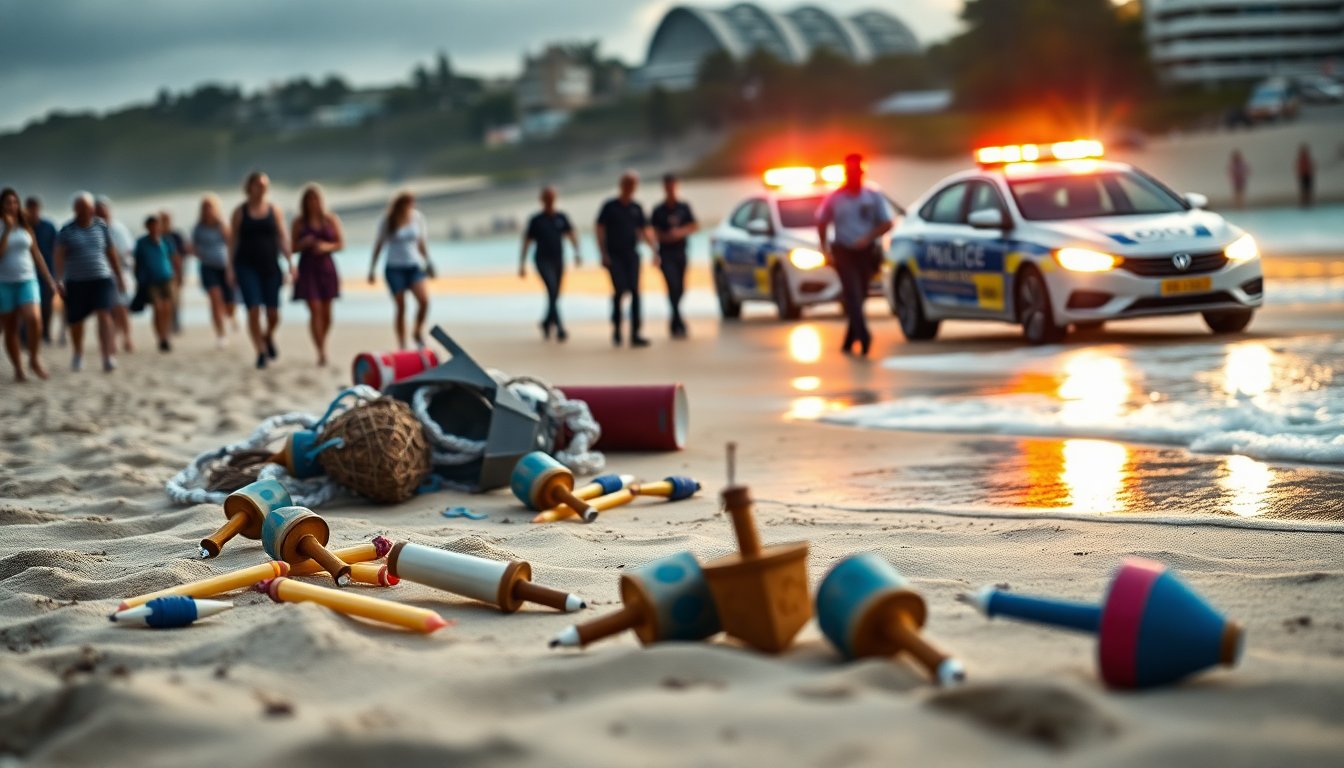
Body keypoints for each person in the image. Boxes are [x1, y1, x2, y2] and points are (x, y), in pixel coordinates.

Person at [816, 153, 893, 357]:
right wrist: (824, 248)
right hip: (844, 252)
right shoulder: (835, 198)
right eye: (850, 172)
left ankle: (849, 340)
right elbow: (821, 221)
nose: (854, 175)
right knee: (852, 293)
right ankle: (864, 336)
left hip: (866, 253)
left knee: (860, 296)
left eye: (857, 171)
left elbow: (887, 223)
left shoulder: (872, 196)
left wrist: (868, 238)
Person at [54, 192, 126, 372]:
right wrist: (59, 279)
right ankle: (78, 353)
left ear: (92, 208)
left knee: (104, 314)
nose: (86, 211)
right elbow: (59, 256)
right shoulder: (66, 230)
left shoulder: (101, 226)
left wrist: (119, 276)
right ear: (75, 209)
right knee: (76, 320)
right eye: (81, 208)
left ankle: (107, 355)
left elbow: (111, 252)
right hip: (77, 281)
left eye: (88, 207)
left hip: (102, 279)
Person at [230, 171, 295, 370]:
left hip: (270, 266)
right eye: (258, 184)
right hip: (246, 266)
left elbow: (282, 237)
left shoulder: (274, 210)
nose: (262, 188)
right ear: (249, 187)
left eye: (265, 185)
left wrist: (291, 263)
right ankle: (260, 351)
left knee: (273, 313)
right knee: (253, 309)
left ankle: (267, 337)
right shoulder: (240, 212)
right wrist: (230, 268)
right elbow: (233, 241)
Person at [1, 188, 61, 381]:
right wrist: (7, 230)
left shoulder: (25, 225)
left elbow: (36, 254)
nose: (12, 206)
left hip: (28, 279)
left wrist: (50, 279)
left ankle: (34, 359)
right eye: (8, 202)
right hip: (4, 283)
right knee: (11, 328)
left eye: (14, 202)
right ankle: (18, 368)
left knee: (34, 319)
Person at [596, 171, 657, 348]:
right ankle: (617, 329)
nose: (631, 187)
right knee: (620, 291)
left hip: (632, 254)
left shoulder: (636, 207)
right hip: (614, 255)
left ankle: (635, 333)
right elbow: (599, 229)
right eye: (628, 184)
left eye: (633, 184)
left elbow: (645, 230)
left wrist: (655, 251)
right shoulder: (609, 206)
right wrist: (603, 253)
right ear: (622, 185)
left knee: (636, 292)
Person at [368, 192, 435, 349]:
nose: (410, 206)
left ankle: (417, 331)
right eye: (407, 202)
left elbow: (421, 243)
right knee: (401, 306)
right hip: (394, 268)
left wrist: (429, 262)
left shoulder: (417, 218)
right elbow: (379, 244)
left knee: (424, 301)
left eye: (412, 202)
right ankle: (402, 344)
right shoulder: (387, 220)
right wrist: (372, 268)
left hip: (414, 266)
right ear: (399, 204)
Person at [291, 184, 344, 366]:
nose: (313, 203)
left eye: (316, 199)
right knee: (315, 310)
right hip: (307, 268)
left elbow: (340, 244)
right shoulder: (299, 222)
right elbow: (291, 247)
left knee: (327, 313)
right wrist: (303, 244)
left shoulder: (330, 219)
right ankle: (321, 351)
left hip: (326, 267)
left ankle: (323, 342)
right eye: (309, 199)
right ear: (304, 202)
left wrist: (325, 247)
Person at [519, 185, 581, 341]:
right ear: (542, 200)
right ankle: (559, 328)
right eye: (547, 197)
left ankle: (546, 322)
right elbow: (527, 241)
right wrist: (522, 264)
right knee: (552, 290)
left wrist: (577, 252)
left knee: (555, 293)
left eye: (551, 197)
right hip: (542, 260)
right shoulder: (536, 220)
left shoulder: (561, 217)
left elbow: (571, 234)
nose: (549, 200)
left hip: (558, 260)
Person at [650, 173, 698, 339]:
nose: (670, 189)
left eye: (672, 186)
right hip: (665, 253)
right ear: (664, 188)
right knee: (672, 284)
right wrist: (659, 244)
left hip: (680, 251)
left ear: (676, 186)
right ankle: (678, 321)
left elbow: (694, 225)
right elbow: (652, 231)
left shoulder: (683, 207)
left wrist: (680, 232)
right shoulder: (658, 210)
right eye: (667, 186)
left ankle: (674, 319)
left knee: (681, 288)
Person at [192, 194, 237, 347]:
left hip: (225, 266)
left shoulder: (222, 225)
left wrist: (232, 267)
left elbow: (232, 244)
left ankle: (231, 316)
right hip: (208, 267)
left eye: (210, 207)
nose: (208, 210)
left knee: (229, 304)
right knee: (215, 299)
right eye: (205, 208)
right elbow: (194, 246)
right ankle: (221, 334)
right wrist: (200, 253)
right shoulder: (198, 228)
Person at [95, 195, 136, 353]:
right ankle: (109, 340)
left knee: (120, 307)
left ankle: (126, 337)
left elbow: (126, 252)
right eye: (98, 212)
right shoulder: (91, 230)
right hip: (100, 273)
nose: (101, 215)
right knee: (105, 309)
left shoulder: (118, 229)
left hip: (120, 271)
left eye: (103, 211)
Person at [133, 215, 180, 352]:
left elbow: (174, 258)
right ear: (147, 227)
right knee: (158, 307)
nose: (155, 228)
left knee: (167, 307)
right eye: (152, 225)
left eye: (157, 225)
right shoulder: (141, 243)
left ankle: (166, 335)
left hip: (167, 278)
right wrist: (138, 280)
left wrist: (178, 276)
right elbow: (137, 263)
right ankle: (161, 337)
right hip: (150, 281)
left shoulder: (166, 240)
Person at [23, 196, 58, 345]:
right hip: (27, 272)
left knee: (46, 304)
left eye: (35, 209)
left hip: (47, 270)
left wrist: (57, 273)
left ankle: (45, 333)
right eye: (30, 210)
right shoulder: (23, 227)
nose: (33, 212)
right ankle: (25, 335)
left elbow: (57, 249)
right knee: (28, 304)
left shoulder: (49, 227)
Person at [160, 210, 188, 335]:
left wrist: (180, 273)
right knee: (164, 300)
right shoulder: (157, 235)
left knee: (175, 300)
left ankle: (175, 324)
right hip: (160, 273)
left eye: (167, 220)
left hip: (175, 272)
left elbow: (182, 255)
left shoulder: (176, 236)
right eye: (163, 220)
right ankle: (167, 324)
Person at [1296, 143, 1315, 208]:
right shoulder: (1301, 160)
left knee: (1308, 189)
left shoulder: (1308, 159)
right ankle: (1304, 202)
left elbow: (1311, 167)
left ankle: (1308, 202)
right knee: (1303, 189)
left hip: (1308, 175)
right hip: (1303, 176)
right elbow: (1299, 168)